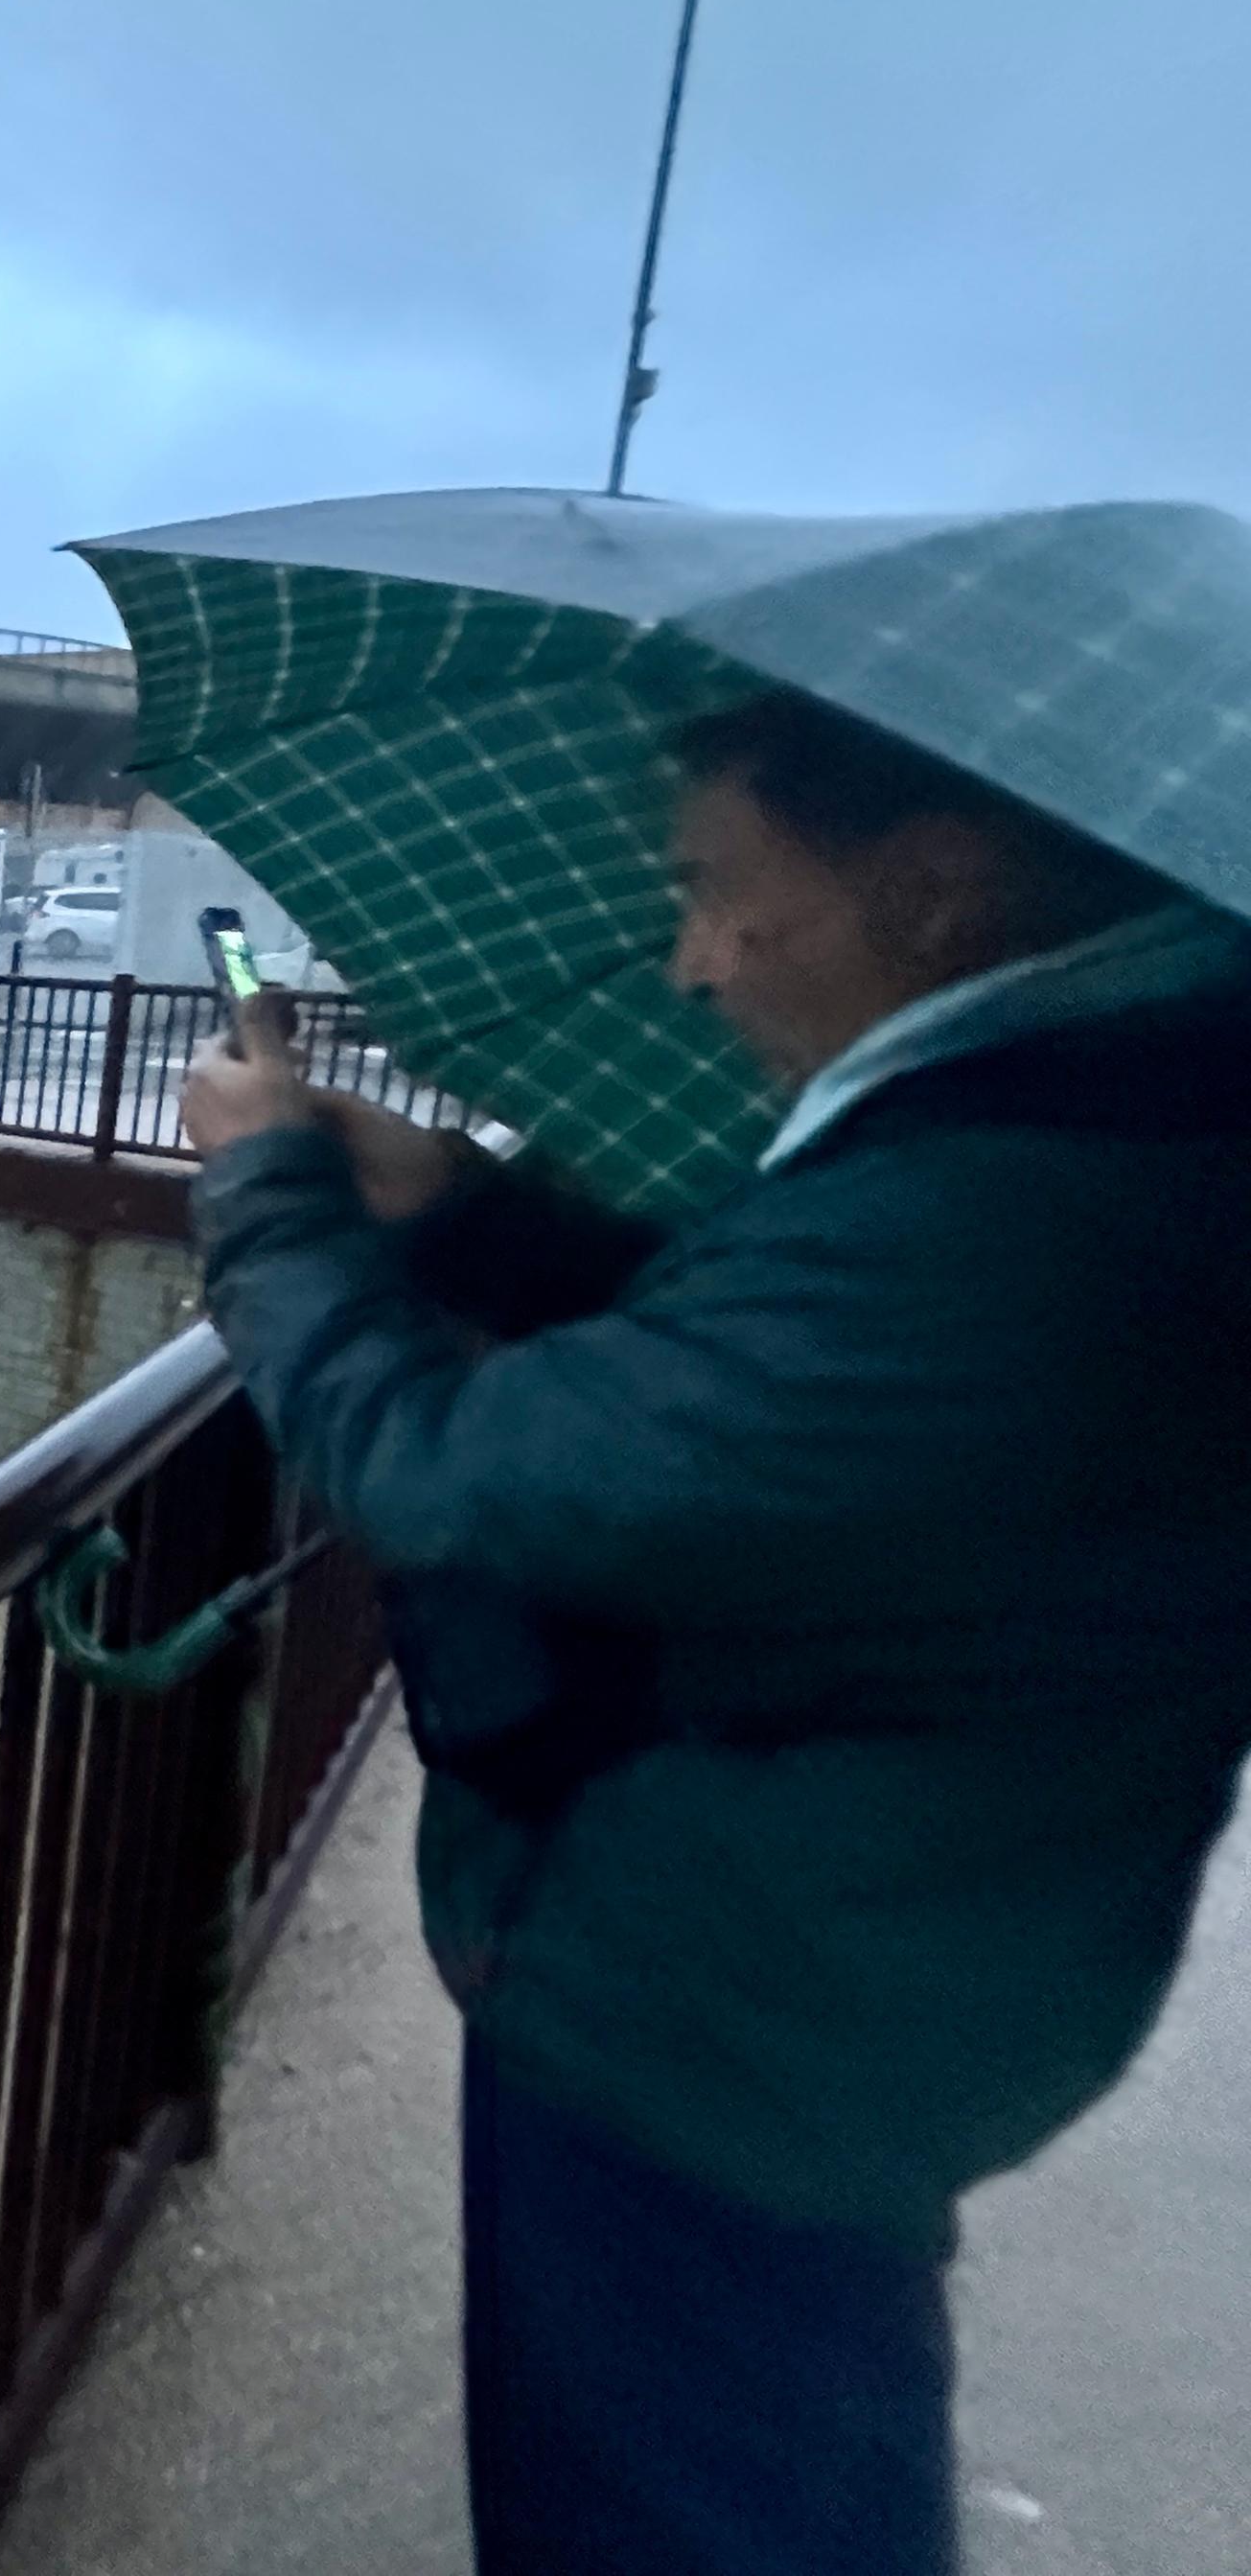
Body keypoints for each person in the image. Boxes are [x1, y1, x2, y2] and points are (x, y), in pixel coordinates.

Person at [179, 688, 1251, 2576]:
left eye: (711, 892)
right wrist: (456, 1214)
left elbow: (444, 1467)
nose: (683, 964)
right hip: (862, 1973)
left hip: (728, 2023)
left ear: (924, 887)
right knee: (784, 2460)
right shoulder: (1095, 1115)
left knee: (686, 2498)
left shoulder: (1011, 1211)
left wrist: (267, 1197)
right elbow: (757, 1361)